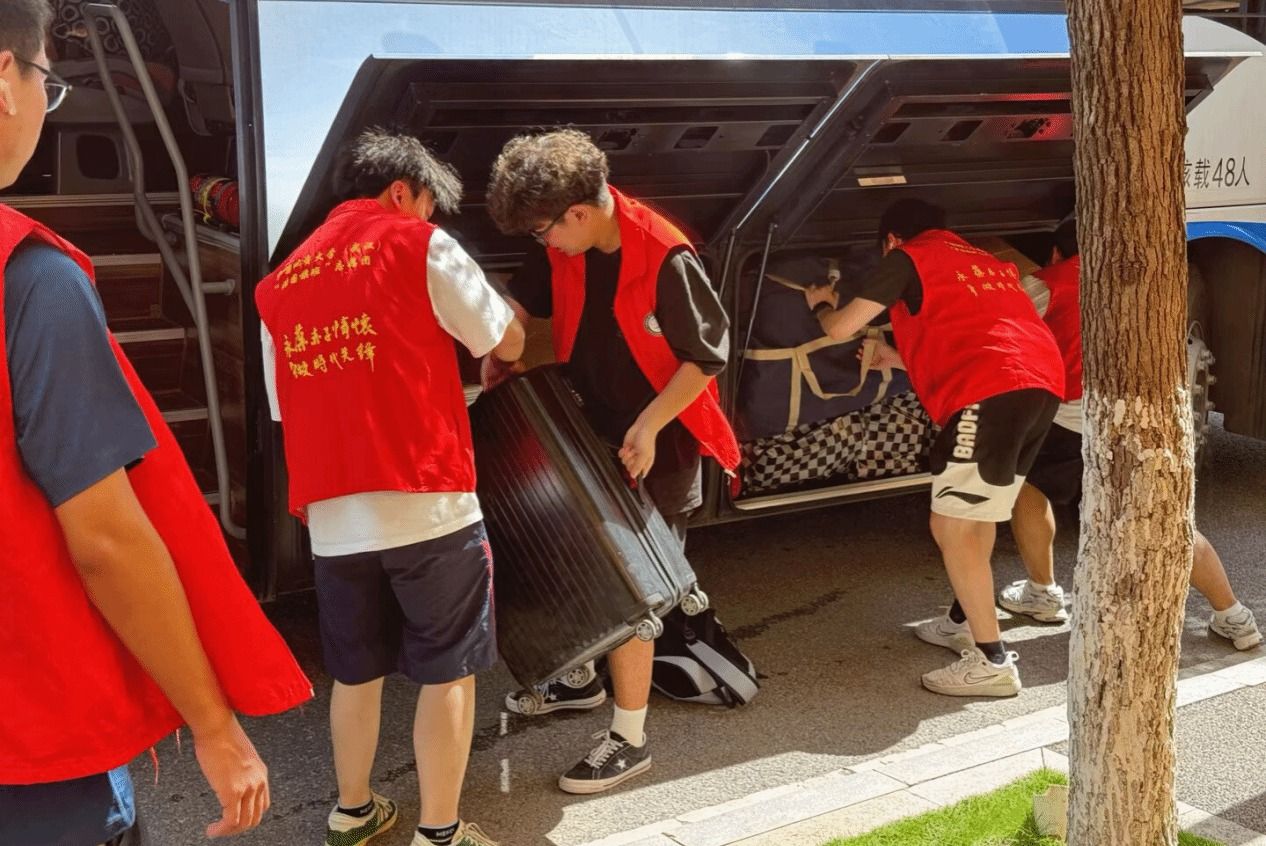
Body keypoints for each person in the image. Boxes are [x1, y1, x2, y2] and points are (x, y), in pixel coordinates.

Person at [0, 3, 311, 844]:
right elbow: (105, 538)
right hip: (35, 755)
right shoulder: (32, 283)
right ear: (4, 81)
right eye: (48, 82)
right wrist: (213, 724)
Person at [255, 128, 524, 846]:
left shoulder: (278, 285)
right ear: (402, 192)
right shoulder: (418, 244)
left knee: (355, 672)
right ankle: (440, 834)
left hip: (334, 517)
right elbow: (504, 339)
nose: (431, 218)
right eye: (430, 204)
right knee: (448, 671)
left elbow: (285, 408)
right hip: (428, 500)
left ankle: (353, 813)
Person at [485, 128, 740, 793]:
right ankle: (580, 682)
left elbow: (707, 357)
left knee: (634, 596)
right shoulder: (567, 242)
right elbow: (521, 303)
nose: (543, 245)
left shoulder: (665, 255)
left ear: (578, 213)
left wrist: (649, 425)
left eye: (544, 231)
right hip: (589, 431)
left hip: (659, 443)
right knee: (579, 564)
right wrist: (499, 345)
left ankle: (630, 740)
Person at [804, 198, 1065, 697]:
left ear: (890, 240)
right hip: (1038, 386)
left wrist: (821, 302)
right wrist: (893, 357)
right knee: (978, 517)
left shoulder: (910, 256)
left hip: (989, 391)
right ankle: (961, 623)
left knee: (952, 525)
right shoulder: (983, 261)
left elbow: (840, 327)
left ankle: (992, 662)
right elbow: (975, 338)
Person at [1001, 219, 1261, 650]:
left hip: (1073, 418)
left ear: (1056, 253)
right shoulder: (1143, 282)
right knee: (1169, 522)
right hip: (1145, 418)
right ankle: (1233, 615)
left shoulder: (1046, 283)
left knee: (1028, 487)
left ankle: (1042, 592)